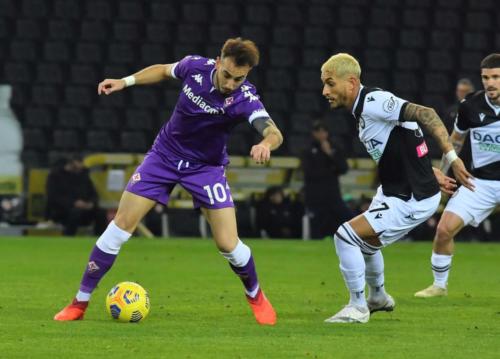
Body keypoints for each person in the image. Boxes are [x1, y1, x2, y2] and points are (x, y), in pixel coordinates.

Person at [54, 38, 283, 325]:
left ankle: (256, 295)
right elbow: (163, 70)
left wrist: (266, 143)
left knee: (227, 243)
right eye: (227, 75)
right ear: (218, 61)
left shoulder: (244, 99)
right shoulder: (194, 67)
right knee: (121, 225)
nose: (231, 84)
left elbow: (273, 131)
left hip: (205, 169)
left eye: (240, 78)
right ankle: (79, 303)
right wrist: (125, 82)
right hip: (163, 157)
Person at [319, 53, 472, 324]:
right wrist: (430, 171)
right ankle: (377, 297)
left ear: (351, 82)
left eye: (330, 83)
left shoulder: (374, 101)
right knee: (365, 245)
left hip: (411, 197)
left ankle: (357, 307)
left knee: (345, 237)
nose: (325, 91)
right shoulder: (365, 109)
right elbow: (409, 134)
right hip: (397, 189)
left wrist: (451, 157)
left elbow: (426, 114)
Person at [415, 53, 500, 298]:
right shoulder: (470, 106)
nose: (490, 83)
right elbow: (455, 142)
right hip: (478, 183)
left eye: (496, 77)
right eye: (486, 77)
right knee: (443, 230)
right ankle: (439, 286)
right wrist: (440, 175)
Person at [302, 120, 354, 239]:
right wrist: (330, 170)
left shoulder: (334, 148)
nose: (321, 134)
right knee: (316, 229)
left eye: (323, 131)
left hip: (333, 195)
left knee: (348, 219)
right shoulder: (307, 150)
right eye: (318, 131)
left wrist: (330, 153)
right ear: (313, 133)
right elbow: (308, 172)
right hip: (315, 196)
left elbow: (343, 168)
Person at [45, 156, 107, 236]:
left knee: (101, 213)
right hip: (63, 210)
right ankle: (69, 237)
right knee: (75, 213)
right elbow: (53, 197)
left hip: (84, 209)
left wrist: (91, 203)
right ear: (70, 164)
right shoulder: (55, 177)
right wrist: (73, 203)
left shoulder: (83, 176)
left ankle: (99, 240)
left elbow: (93, 194)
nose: (80, 170)